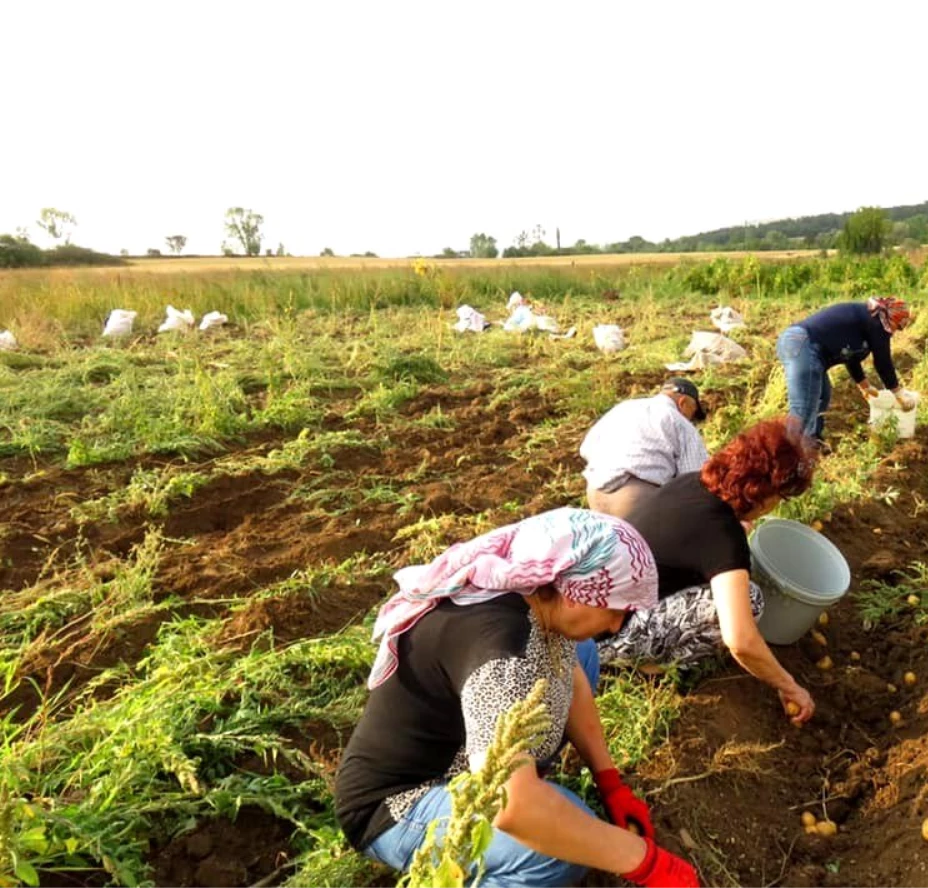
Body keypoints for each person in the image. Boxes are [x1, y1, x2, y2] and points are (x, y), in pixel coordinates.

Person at [335, 508, 699, 887]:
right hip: (400, 802)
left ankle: (528, 772)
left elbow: (571, 678)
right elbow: (515, 808)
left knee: (584, 652)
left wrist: (610, 782)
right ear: (576, 594)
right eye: (616, 611)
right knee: (553, 850)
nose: (615, 625)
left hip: (468, 751)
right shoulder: (503, 657)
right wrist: (646, 862)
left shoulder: (529, 597)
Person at [601, 418, 820, 727]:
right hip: (608, 637)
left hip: (592, 616)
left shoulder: (691, 483)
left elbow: (697, 536)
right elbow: (741, 640)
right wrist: (789, 685)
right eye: (779, 499)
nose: (776, 506)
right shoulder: (721, 535)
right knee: (751, 601)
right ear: (762, 493)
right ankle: (645, 667)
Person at [774, 297, 914, 444]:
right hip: (803, 344)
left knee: (822, 395)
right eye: (898, 327)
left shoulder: (868, 319)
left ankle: (811, 443)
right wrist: (898, 393)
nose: (894, 332)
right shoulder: (877, 323)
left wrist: (864, 385)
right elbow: (883, 362)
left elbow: (850, 355)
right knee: (804, 408)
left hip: (800, 343)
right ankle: (791, 454)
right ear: (892, 318)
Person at [580, 378, 708, 519]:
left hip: (595, 496)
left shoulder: (624, 408)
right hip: (636, 501)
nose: (691, 420)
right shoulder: (679, 422)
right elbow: (694, 481)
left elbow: (585, 448)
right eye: (693, 413)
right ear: (682, 402)